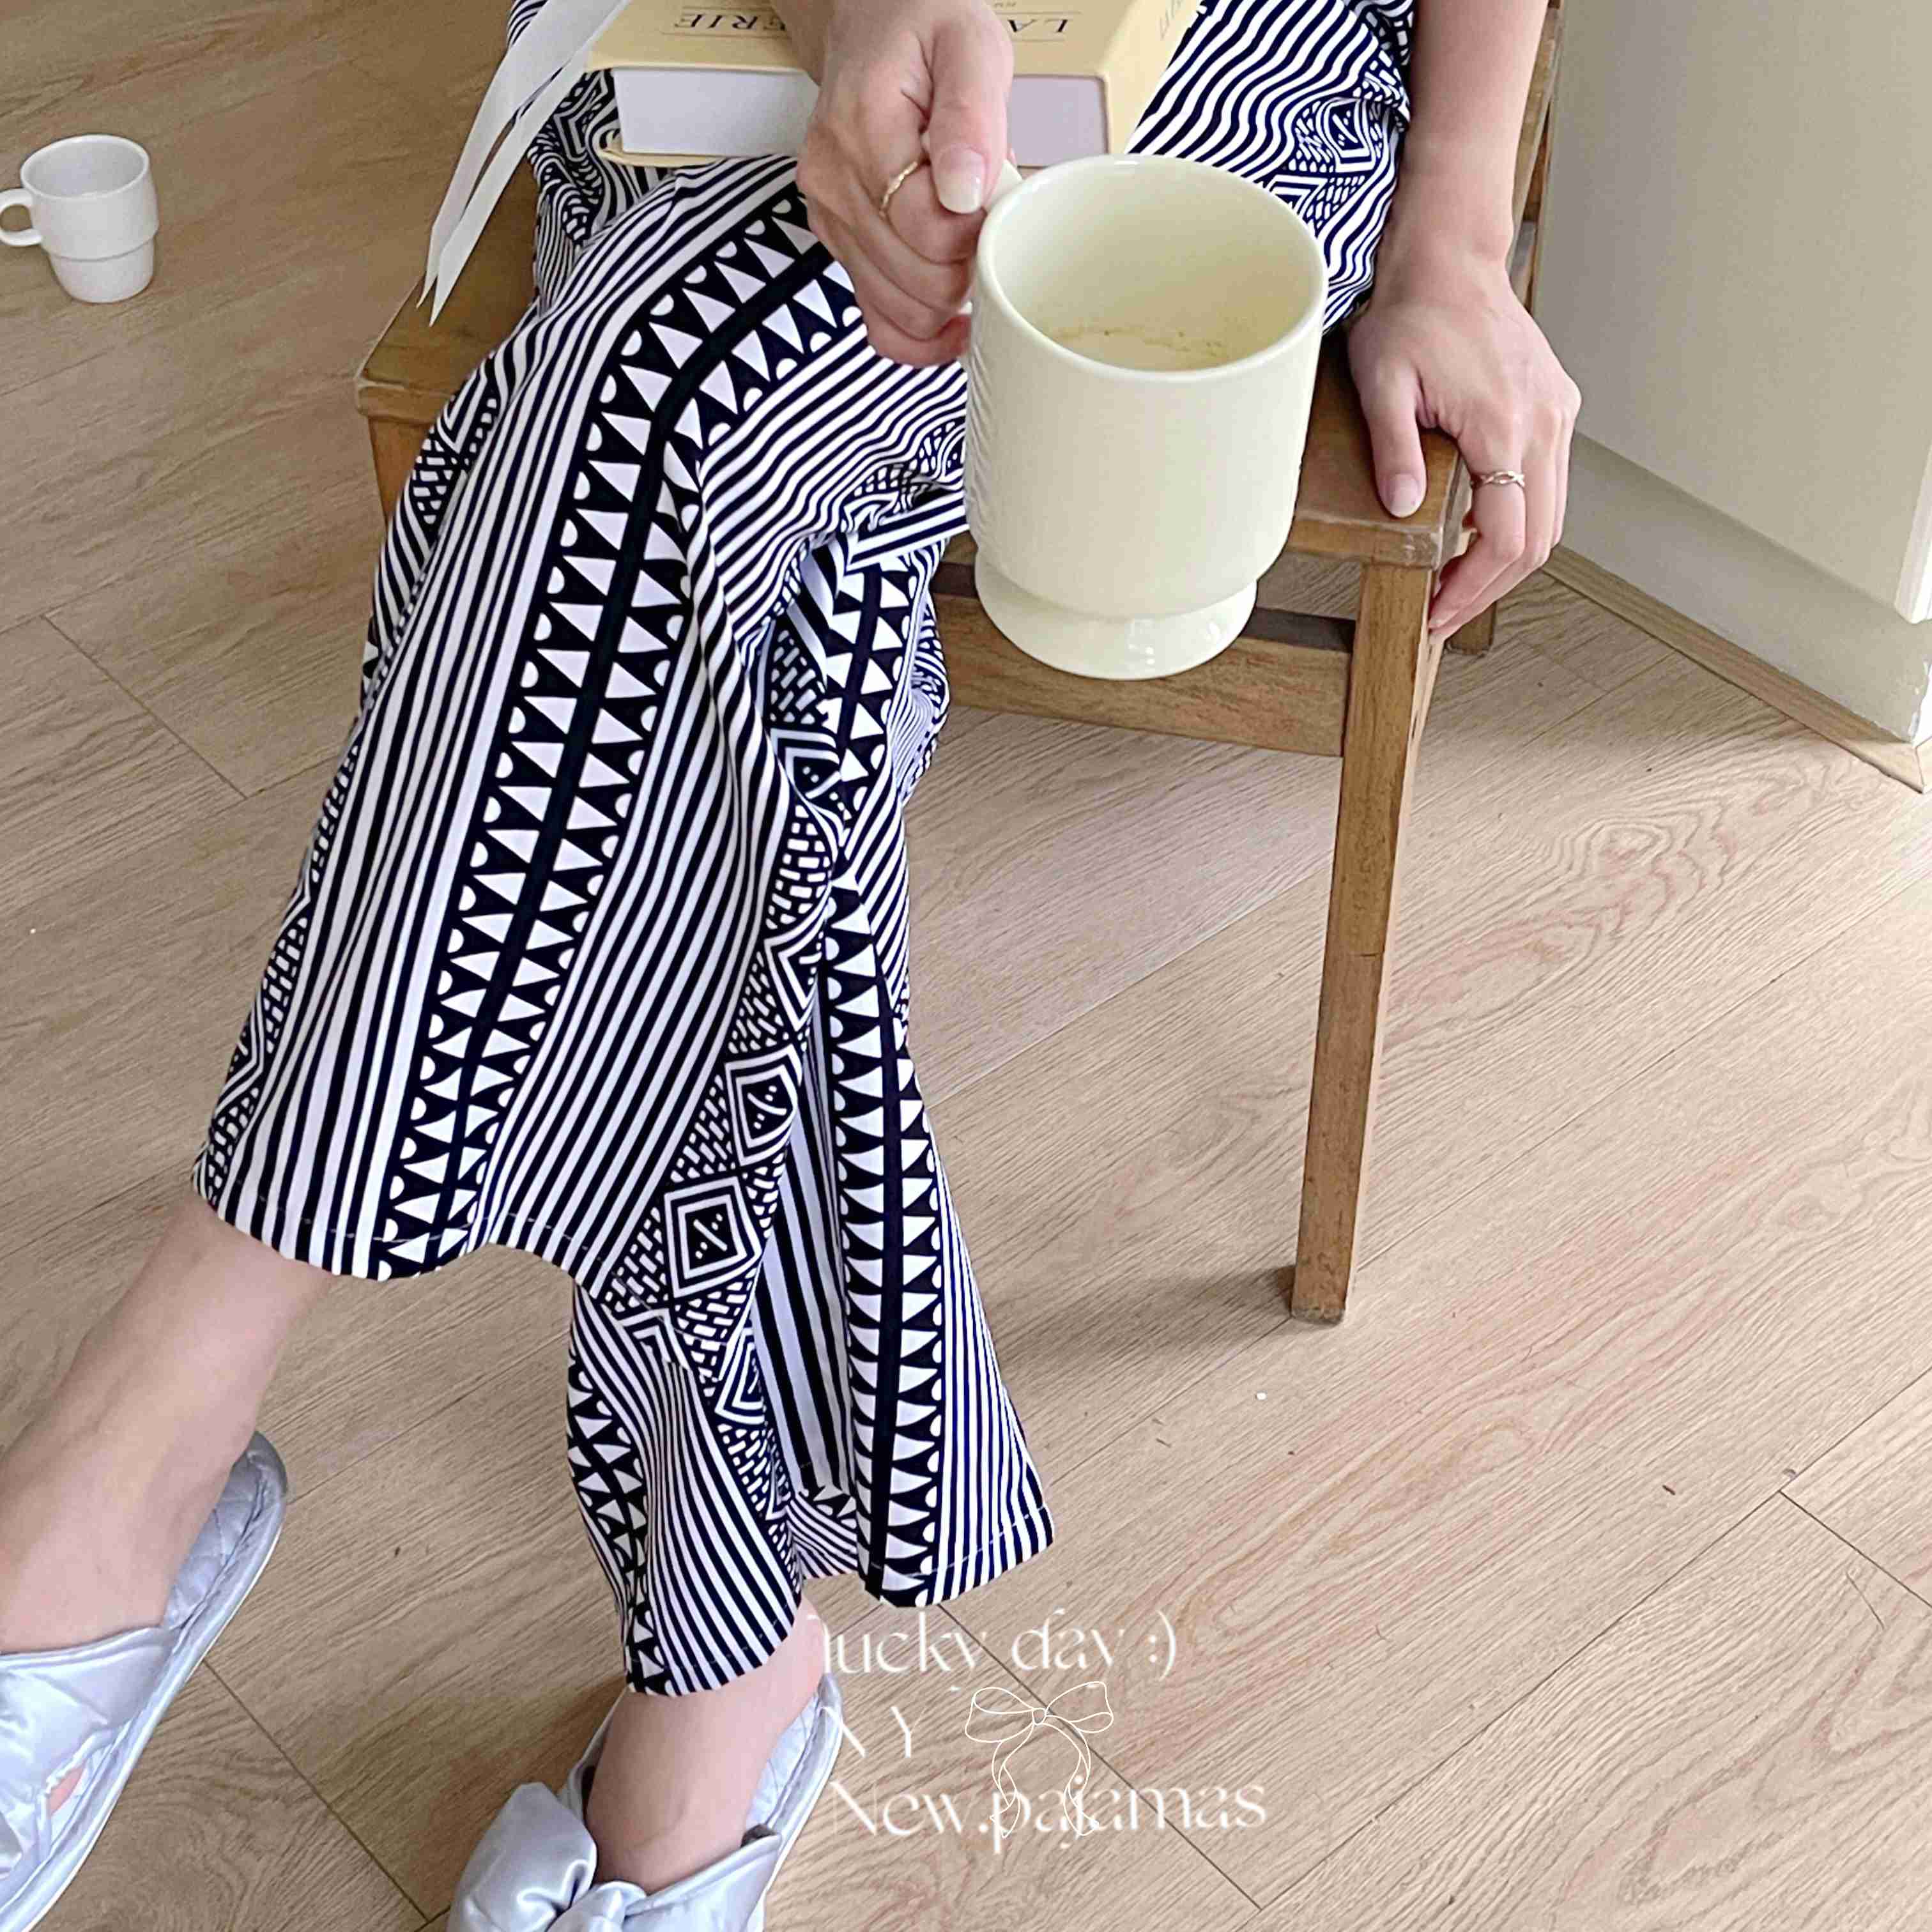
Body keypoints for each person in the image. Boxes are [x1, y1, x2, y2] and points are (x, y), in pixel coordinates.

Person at [0, 0, 1579, 1923]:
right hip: (736, 35)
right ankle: (719, 1676)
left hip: (1222, 63)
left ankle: (141, 1448)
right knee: (708, 491)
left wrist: (1454, 228)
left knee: (651, 416)